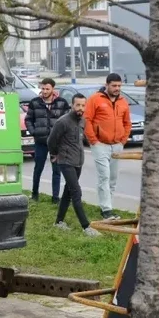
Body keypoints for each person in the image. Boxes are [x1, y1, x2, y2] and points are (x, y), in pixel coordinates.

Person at [47, 94, 100, 236]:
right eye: (78, 105)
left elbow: (80, 141)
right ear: (72, 105)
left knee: (68, 192)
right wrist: (54, 154)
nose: (80, 108)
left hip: (78, 161)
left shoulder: (83, 121)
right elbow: (51, 140)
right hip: (65, 161)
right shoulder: (62, 122)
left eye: (83, 105)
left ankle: (58, 221)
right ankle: (86, 227)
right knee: (76, 191)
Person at [84, 72, 132, 220]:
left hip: (117, 145)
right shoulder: (95, 99)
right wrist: (93, 140)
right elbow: (87, 120)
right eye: (114, 85)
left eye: (119, 86)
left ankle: (108, 205)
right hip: (100, 145)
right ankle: (106, 210)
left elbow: (127, 122)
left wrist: (123, 140)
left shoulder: (123, 101)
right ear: (107, 85)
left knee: (112, 178)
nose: (117, 88)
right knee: (104, 176)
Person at [24, 78, 70, 201]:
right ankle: (35, 194)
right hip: (41, 141)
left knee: (57, 170)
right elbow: (28, 119)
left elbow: (68, 121)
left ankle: (55, 197)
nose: (44, 91)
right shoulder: (35, 102)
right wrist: (33, 132)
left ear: (53, 89)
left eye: (47, 89)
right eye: (43, 88)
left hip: (56, 143)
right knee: (38, 168)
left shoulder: (62, 103)